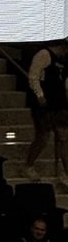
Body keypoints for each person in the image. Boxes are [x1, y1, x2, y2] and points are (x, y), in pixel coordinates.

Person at [24, 42, 68, 187]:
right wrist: (39, 95)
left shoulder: (64, 59)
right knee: (43, 136)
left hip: (59, 102)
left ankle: (66, 173)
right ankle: (29, 165)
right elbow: (33, 76)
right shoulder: (44, 54)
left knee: (63, 137)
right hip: (43, 103)